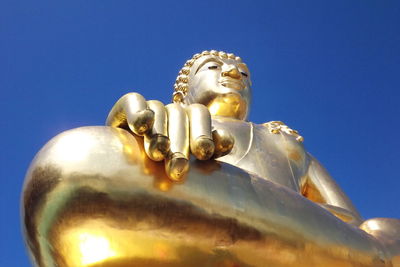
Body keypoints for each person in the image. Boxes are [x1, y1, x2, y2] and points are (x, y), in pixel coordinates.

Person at [107, 50, 362, 226]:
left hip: (290, 245)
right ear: (182, 92)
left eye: (245, 74)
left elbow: (356, 226)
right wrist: (116, 143)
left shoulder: (285, 142)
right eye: (213, 66)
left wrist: (269, 211)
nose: (232, 72)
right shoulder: (166, 124)